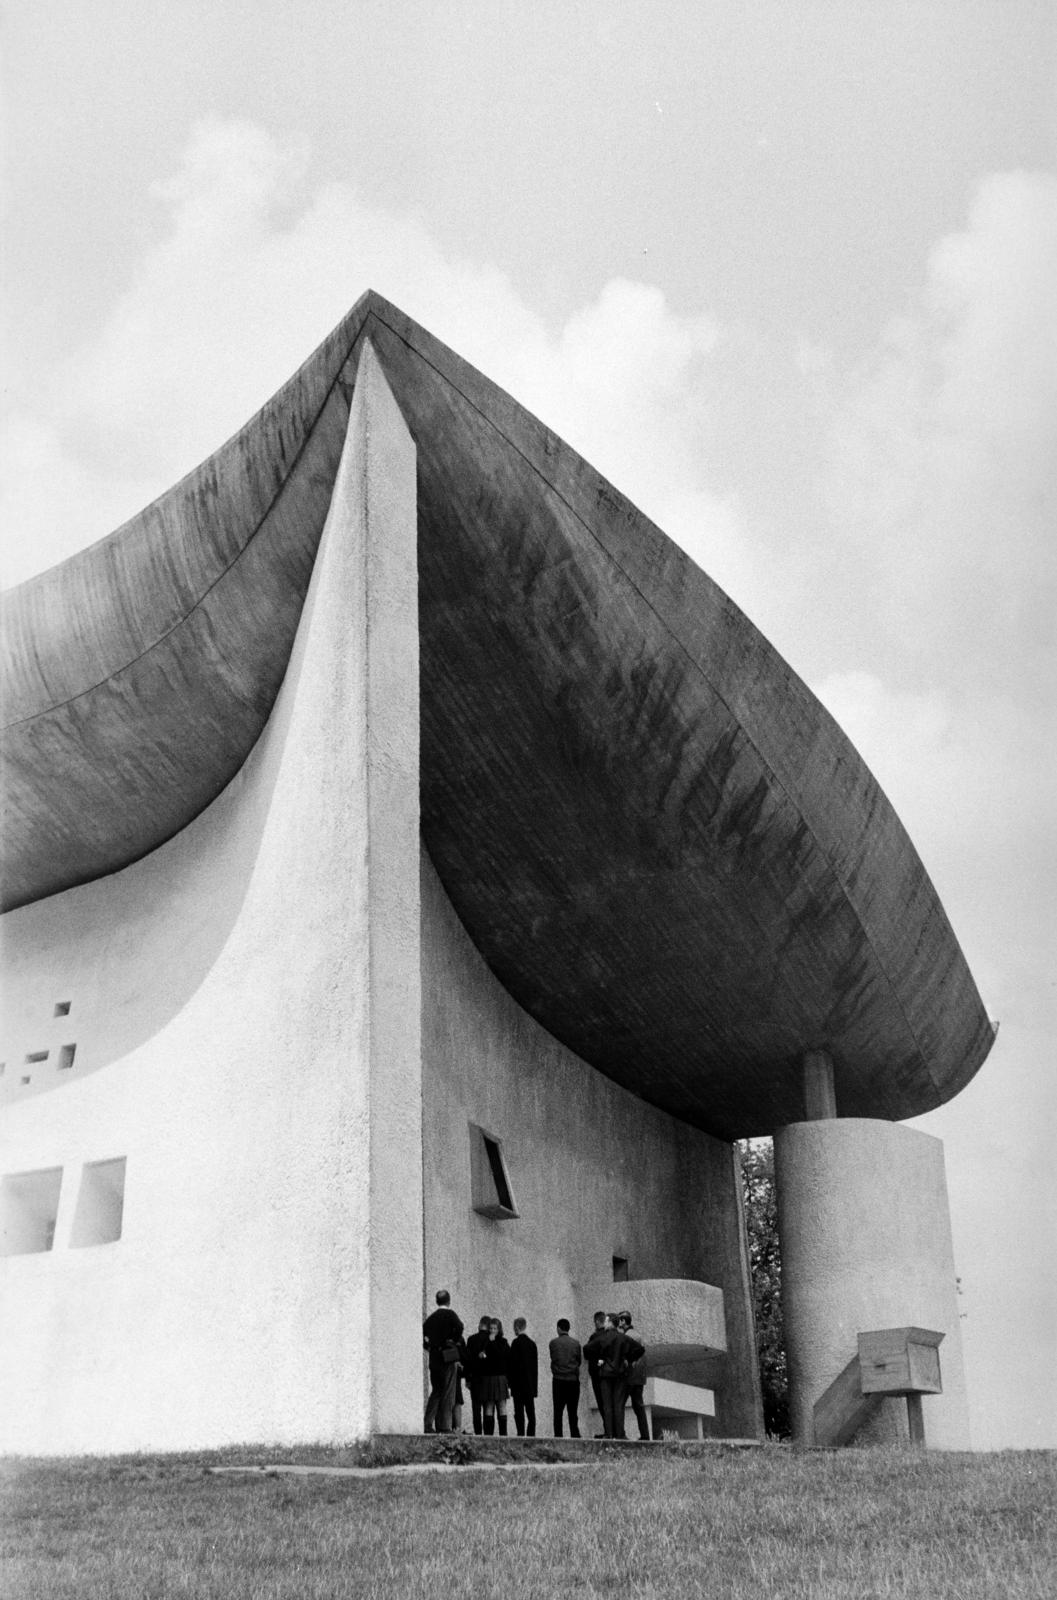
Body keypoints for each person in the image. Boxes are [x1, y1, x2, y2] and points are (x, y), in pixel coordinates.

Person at [584, 1312, 644, 1439]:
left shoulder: (601, 1338)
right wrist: (628, 1359)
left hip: (605, 1374)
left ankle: (609, 1433)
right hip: (620, 1375)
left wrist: (599, 1359)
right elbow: (640, 1349)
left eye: (606, 1321)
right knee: (618, 1405)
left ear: (610, 1322)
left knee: (607, 1405)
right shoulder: (623, 1338)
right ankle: (620, 1434)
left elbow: (587, 1349)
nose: (604, 1323)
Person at [422, 1289, 464, 1435]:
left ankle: (427, 1423)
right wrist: (452, 1340)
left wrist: (429, 1346)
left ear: (436, 1301)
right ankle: (444, 1426)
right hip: (448, 1355)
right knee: (448, 1391)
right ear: (449, 1300)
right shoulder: (451, 1315)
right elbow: (460, 1327)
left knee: (436, 1391)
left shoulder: (431, 1318)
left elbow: (423, 1333)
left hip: (434, 1357)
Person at [617, 1310, 650, 1441]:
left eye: (620, 1320)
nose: (618, 1322)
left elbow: (625, 1357)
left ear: (624, 1321)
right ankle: (645, 1435)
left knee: (619, 1404)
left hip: (629, 1377)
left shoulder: (628, 1336)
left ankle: (621, 1434)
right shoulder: (638, 1335)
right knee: (639, 1407)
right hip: (639, 1378)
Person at [548, 1318, 582, 1438]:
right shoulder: (576, 1343)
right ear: (568, 1328)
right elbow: (579, 1361)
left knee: (558, 1412)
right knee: (573, 1412)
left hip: (558, 1380)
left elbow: (553, 1359)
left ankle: (558, 1436)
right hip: (573, 1380)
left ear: (558, 1328)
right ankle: (575, 1435)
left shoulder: (553, 1343)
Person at [507, 1317, 538, 1436]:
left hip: (518, 1385)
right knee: (531, 1413)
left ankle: (520, 1434)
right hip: (529, 1385)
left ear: (517, 1327)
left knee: (519, 1412)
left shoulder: (515, 1343)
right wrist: (534, 1388)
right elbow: (534, 1368)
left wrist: (510, 1383)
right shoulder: (532, 1344)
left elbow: (512, 1365)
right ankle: (531, 1435)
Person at [479, 1317, 510, 1434]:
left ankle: (503, 1435)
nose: (492, 1330)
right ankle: (488, 1435)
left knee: (502, 1405)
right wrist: (482, 1355)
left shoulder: (503, 1342)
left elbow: (501, 1357)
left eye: (495, 1328)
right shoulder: (485, 1341)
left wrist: (492, 1342)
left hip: (500, 1376)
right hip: (488, 1377)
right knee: (489, 1406)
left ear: (499, 1329)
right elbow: (484, 1357)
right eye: (491, 1328)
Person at [464, 1316, 492, 1434]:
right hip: (489, 1379)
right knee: (488, 1409)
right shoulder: (491, 1340)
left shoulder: (471, 1340)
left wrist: (467, 1378)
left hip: (475, 1379)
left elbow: (467, 1361)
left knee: (476, 1409)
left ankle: (478, 1433)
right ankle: (488, 1434)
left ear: (480, 1324)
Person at [584, 1311, 607, 1435]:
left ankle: (608, 1430)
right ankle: (612, 1430)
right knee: (609, 1402)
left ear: (597, 1321)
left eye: (594, 1322)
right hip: (609, 1374)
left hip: (597, 1374)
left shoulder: (595, 1337)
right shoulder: (609, 1335)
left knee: (601, 1402)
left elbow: (586, 1351)